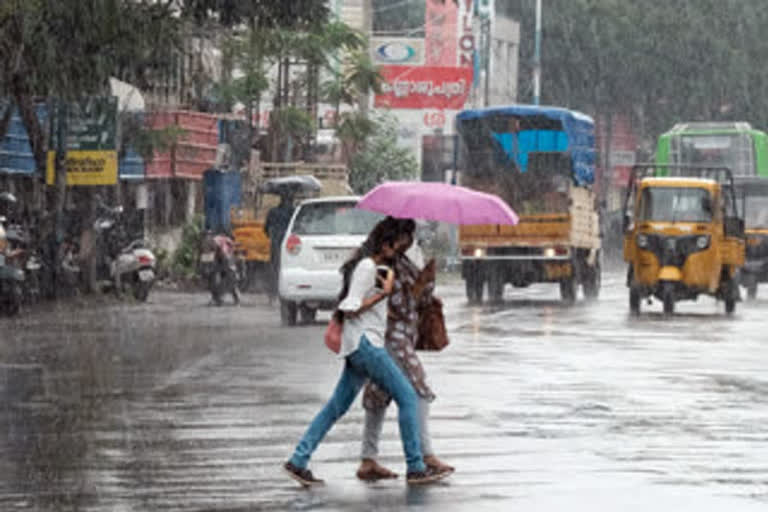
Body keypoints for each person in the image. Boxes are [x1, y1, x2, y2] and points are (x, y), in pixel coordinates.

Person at [283, 220, 451, 487]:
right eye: (397, 246)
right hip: (367, 345)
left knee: (335, 407)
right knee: (407, 396)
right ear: (385, 244)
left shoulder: (376, 267)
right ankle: (416, 466)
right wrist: (380, 296)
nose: (399, 252)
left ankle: (299, 460)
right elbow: (349, 307)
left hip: (358, 346)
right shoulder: (367, 267)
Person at [356, 218, 454, 481]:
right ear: (394, 237)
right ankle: (424, 454)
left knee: (378, 396)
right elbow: (394, 302)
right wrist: (420, 287)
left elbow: (417, 299)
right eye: (406, 235)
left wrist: (427, 282)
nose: (409, 241)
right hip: (391, 338)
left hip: (401, 337)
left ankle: (368, 459)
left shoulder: (401, 262)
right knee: (419, 389)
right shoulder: (383, 266)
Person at [264, 193, 295, 302]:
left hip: (276, 243)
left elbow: (266, 228)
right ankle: (287, 293)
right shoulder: (294, 212)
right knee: (290, 268)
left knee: (275, 269)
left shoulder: (273, 211)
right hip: (290, 245)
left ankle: (272, 295)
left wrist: (271, 236)